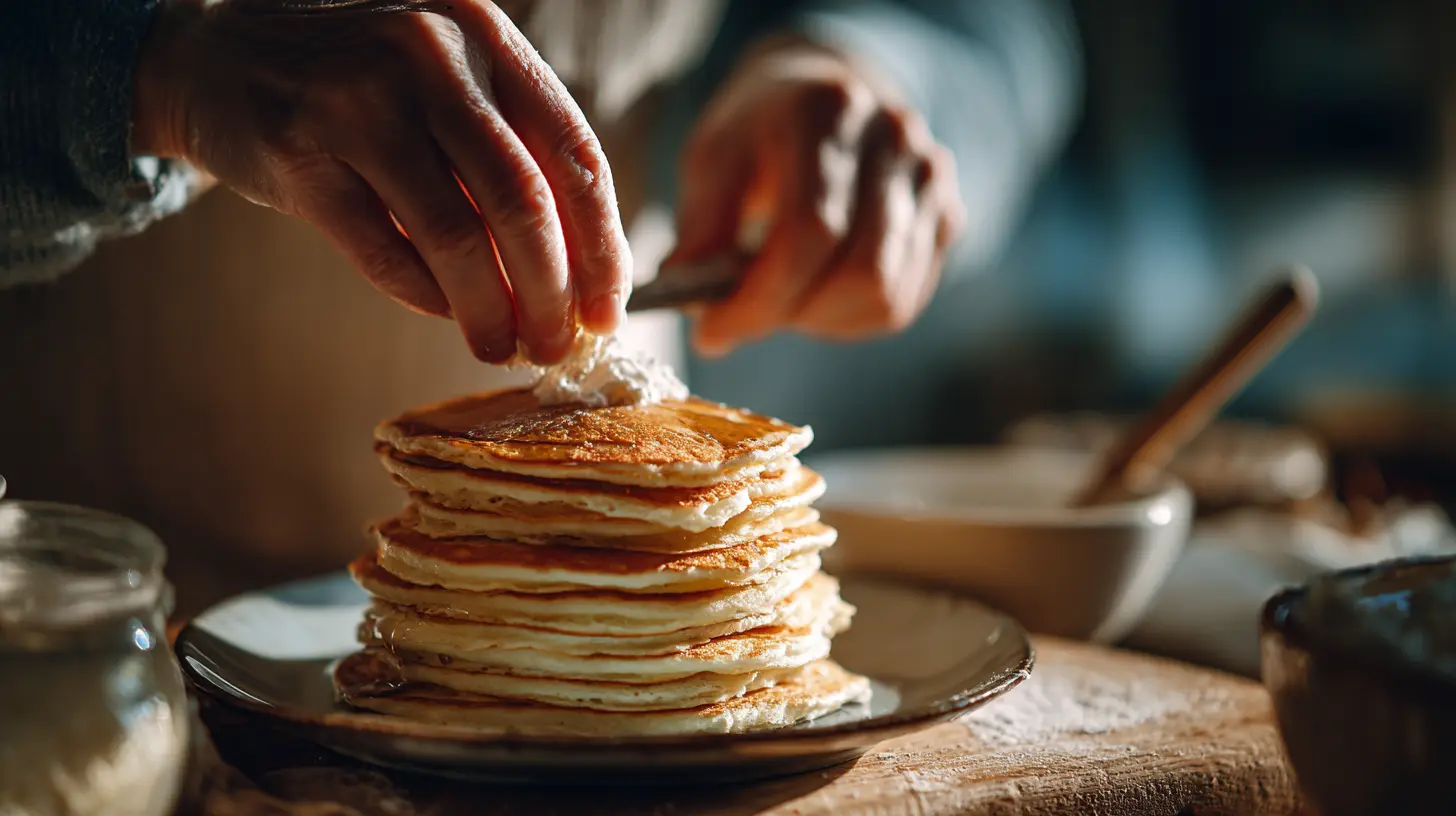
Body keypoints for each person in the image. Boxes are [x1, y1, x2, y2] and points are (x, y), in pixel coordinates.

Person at [0, 0, 1077, 611]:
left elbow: (996, 31)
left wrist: (856, 57)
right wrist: (140, 75)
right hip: (75, 634)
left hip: (652, 628)